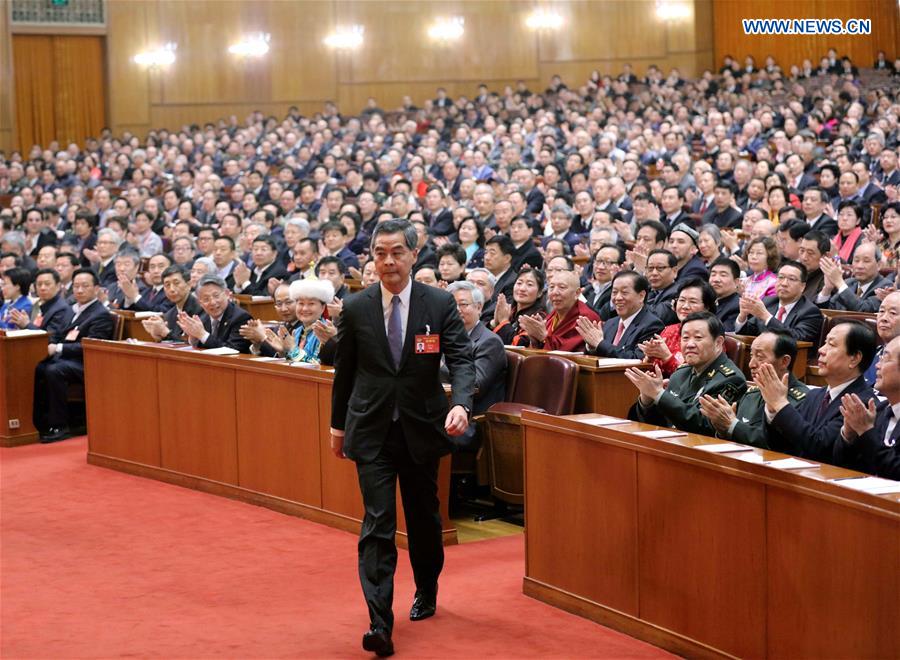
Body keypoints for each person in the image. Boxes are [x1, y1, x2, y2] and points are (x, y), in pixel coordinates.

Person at [329, 219, 475, 657]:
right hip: (371, 429)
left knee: (423, 518)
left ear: (413, 255)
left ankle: (427, 587)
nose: (388, 261)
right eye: (380, 253)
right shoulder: (356, 307)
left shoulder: (438, 302)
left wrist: (461, 404)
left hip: (422, 428)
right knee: (378, 521)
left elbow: (462, 359)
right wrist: (338, 427)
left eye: (396, 252)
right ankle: (379, 622)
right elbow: (345, 372)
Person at [761, 320, 877, 465]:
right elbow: (783, 444)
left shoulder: (862, 404)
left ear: (854, 358)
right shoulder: (814, 395)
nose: (821, 350)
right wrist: (772, 410)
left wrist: (780, 404)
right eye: (825, 343)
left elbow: (820, 447)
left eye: (831, 344)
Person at [626, 311, 747, 436]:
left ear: (718, 343)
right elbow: (659, 422)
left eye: (698, 338)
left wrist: (659, 394)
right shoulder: (681, 373)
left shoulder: (731, 380)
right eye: (685, 338)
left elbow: (704, 426)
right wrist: (647, 400)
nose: (690, 344)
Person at [32, 268, 115, 442]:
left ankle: (60, 425)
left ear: (96, 289)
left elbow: (91, 346)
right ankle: (40, 421)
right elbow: (58, 334)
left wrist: (58, 348)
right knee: (37, 366)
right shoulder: (72, 309)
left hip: (86, 363)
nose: (79, 290)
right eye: (76, 286)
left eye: (85, 286)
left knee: (54, 370)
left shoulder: (101, 315)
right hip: (67, 360)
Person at [699, 330, 809, 448]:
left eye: (760, 357)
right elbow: (735, 438)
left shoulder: (803, 401)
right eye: (751, 355)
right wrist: (723, 431)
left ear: (784, 361)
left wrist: (732, 426)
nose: (751, 364)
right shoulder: (751, 394)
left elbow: (776, 445)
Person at [445, 281, 506, 451]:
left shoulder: (489, 342)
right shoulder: (447, 337)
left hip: (472, 419)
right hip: (446, 409)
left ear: (479, 307)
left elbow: (475, 384)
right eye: (452, 305)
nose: (457, 310)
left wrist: (438, 364)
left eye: (463, 304)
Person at [836, 335, 900, 479]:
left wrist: (866, 431)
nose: (877, 365)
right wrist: (849, 436)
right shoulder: (878, 411)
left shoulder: (868, 420)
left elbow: (896, 472)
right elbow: (840, 465)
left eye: (886, 359)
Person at [577, 271, 665, 359]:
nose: (618, 298)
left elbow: (637, 359)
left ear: (641, 296)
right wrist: (592, 346)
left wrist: (600, 343)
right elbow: (597, 356)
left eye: (624, 292)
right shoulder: (610, 323)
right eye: (614, 292)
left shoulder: (652, 325)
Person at [639, 278, 716, 377]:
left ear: (707, 307)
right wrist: (650, 358)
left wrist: (667, 357)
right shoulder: (669, 330)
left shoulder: (711, 334)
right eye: (682, 300)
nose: (685, 306)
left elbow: (697, 377)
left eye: (693, 302)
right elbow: (655, 369)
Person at [734, 260, 824, 343]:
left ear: (802, 286)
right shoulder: (768, 301)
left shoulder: (810, 312)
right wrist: (742, 316)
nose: (784, 283)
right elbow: (749, 332)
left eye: (792, 279)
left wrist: (766, 316)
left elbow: (798, 338)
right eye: (781, 277)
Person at [519, 269, 600, 352]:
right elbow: (543, 345)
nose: (555, 292)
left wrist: (544, 336)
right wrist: (535, 338)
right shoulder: (553, 316)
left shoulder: (586, 318)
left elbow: (570, 353)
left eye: (562, 287)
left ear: (577, 293)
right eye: (551, 287)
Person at [177, 274, 253, 353]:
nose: (212, 302)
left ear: (227, 294)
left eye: (216, 296)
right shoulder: (202, 318)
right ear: (200, 302)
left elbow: (233, 350)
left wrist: (202, 335)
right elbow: (203, 345)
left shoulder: (241, 318)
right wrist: (194, 337)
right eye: (206, 299)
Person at [817, 242, 888, 313]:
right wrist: (827, 289)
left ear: (879, 265)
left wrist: (839, 282)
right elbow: (828, 310)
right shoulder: (848, 283)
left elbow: (863, 310)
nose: (859, 266)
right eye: (856, 260)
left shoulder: (885, 287)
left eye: (866, 261)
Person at [6, 268, 73, 342]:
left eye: (47, 284)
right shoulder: (37, 304)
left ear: (58, 286)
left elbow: (51, 339)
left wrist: (27, 325)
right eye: (39, 284)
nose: (42, 288)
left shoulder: (62, 308)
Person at [141, 265, 203, 342]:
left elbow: (193, 344)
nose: (172, 289)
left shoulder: (201, 309)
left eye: (176, 283)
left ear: (189, 285)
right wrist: (158, 336)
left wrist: (165, 332)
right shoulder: (169, 315)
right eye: (167, 285)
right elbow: (173, 341)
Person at [490, 266, 546, 346]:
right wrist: (495, 323)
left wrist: (503, 321)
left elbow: (520, 345)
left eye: (529, 285)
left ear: (540, 293)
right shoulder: (509, 310)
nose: (522, 289)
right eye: (519, 283)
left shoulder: (538, 317)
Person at [709, 257, 741, 331]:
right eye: (713, 274)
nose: (716, 279)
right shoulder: (709, 301)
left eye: (723, 275)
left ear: (736, 282)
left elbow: (724, 334)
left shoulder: (737, 307)